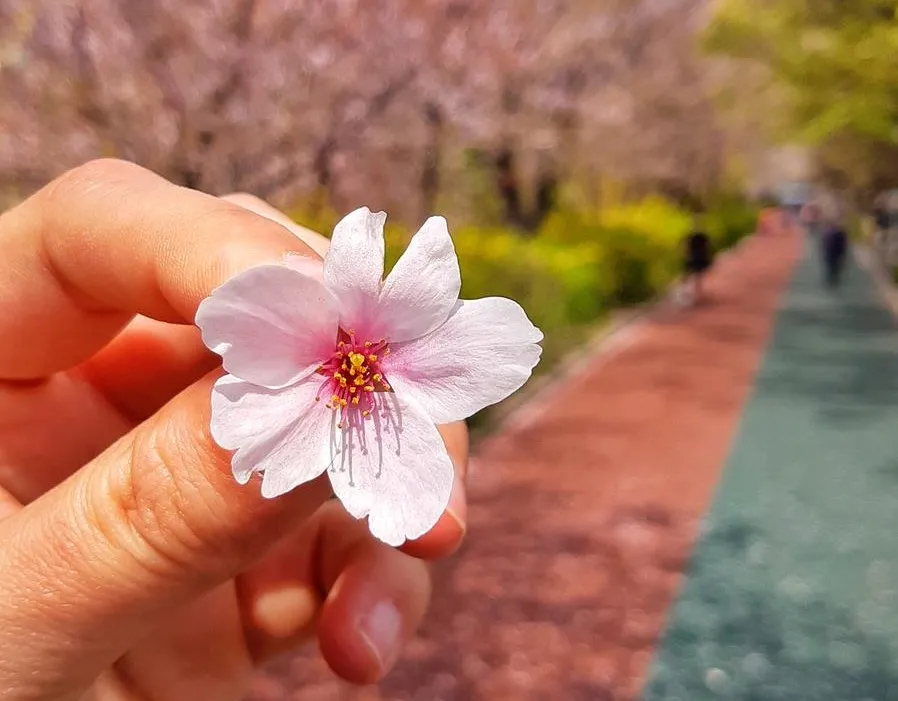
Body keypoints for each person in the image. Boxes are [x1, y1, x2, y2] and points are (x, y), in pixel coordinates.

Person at [0, 159, 470, 699]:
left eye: (358, 366)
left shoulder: (383, 374)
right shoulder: (297, 349)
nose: (356, 369)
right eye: (352, 364)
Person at [681, 225, 714, 306]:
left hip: (696, 258)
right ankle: (694, 294)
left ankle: (693, 294)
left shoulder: (695, 237)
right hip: (698, 258)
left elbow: (686, 248)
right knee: (696, 278)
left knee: (693, 277)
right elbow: (708, 248)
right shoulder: (701, 237)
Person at [820, 222, 849, 288]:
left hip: (832, 252)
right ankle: (833, 278)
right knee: (834, 266)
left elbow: (825, 243)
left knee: (832, 266)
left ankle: (832, 278)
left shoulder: (829, 232)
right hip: (834, 252)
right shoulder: (839, 233)